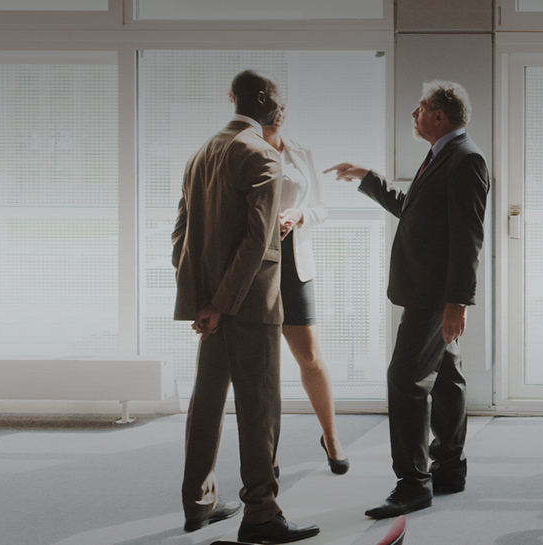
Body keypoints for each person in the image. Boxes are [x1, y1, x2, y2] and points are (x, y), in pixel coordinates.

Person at [326, 80, 491, 519]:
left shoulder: (466, 158)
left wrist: (457, 302)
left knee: (404, 380)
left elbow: (468, 238)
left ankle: (413, 484)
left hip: (435, 296)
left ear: (439, 116)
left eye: (420, 109)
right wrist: (368, 178)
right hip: (427, 291)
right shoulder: (442, 155)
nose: (414, 115)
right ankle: (449, 470)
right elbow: (413, 209)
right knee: (446, 377)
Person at [173, 69, 320, 544]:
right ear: (263, 101)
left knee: (208, 402)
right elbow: (259, 241)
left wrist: (203, 302)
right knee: (259, 408)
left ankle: (197, 503)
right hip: (251, 305)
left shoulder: (203, 152)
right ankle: (261, 512)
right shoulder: (260, 154)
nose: (283, 108)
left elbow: (181, 236)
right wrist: (222, 303)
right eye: (279, 99)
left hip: (214, 307)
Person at [259, 109, 349, 477]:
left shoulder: (300, 151)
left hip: (294, 265)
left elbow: (322, 208)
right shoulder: (241, 149)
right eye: (270, 109)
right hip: (255, 267)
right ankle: (267, 451)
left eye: (281, 109)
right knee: (264, 366)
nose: (277, 115)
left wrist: (298, 216)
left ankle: (331, 438)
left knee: (310, 357)